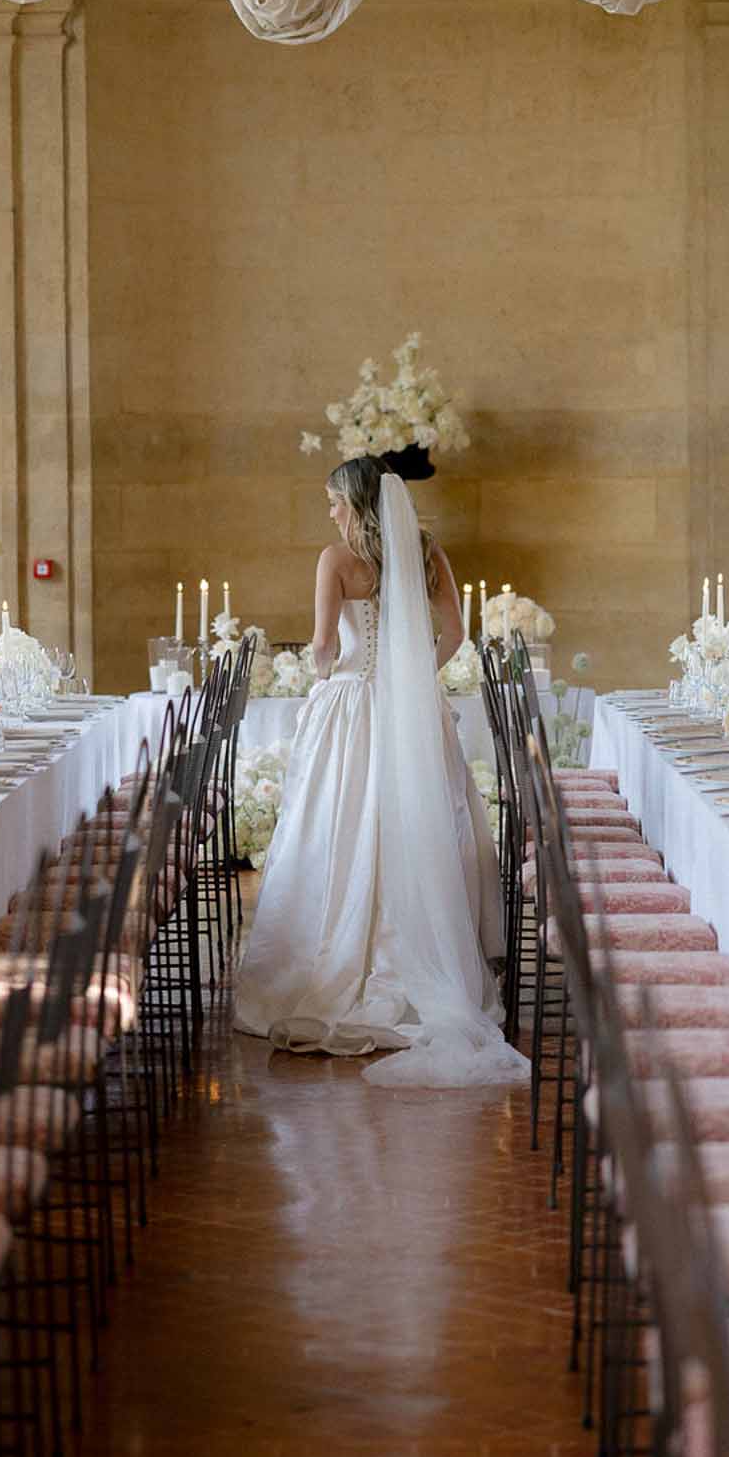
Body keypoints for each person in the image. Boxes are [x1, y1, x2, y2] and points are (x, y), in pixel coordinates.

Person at [234, 456, 527, 1086]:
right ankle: (424, 956)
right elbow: (453, 634)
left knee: (339, 826)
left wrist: (321, 674)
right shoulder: (426, 552)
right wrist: (413, 677)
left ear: (358, 502)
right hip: (408, 714)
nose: (330, 511)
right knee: (413, 821)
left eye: (335, 500)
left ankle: (340, 961)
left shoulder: (335, 560)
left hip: (349, 709)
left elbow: (320, 645)